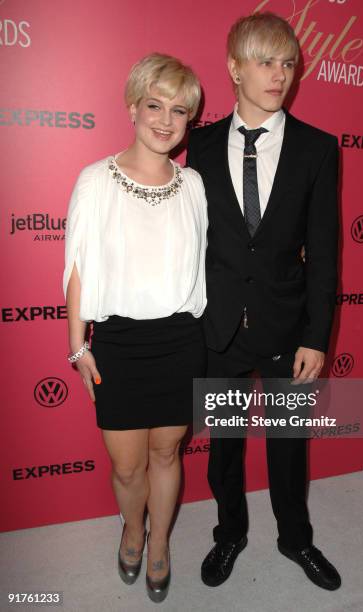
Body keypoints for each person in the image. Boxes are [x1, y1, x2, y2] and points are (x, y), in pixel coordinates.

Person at [187, 13, 341, 591]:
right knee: (223, 448)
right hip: (219, 327)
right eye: (264, 61)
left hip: (286, 326)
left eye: (287, 63)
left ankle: (295, 539)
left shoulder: (317, 149)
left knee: (287, 447)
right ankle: (229, 535)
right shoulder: (196, 146)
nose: (279, 75)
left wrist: (315, 336)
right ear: (234, 67)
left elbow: (324, 253)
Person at [63, 53, 207, 603]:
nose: (166, 120)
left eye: (179, 110)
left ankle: (161, 544)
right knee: (126, 469)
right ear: (132, 107)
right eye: (155, 105)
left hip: (180, 341)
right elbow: (78, 266)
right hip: (119, 343)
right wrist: (78, 346)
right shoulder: (96, 180)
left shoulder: (193, 184)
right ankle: (131, 528)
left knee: (167, 454)